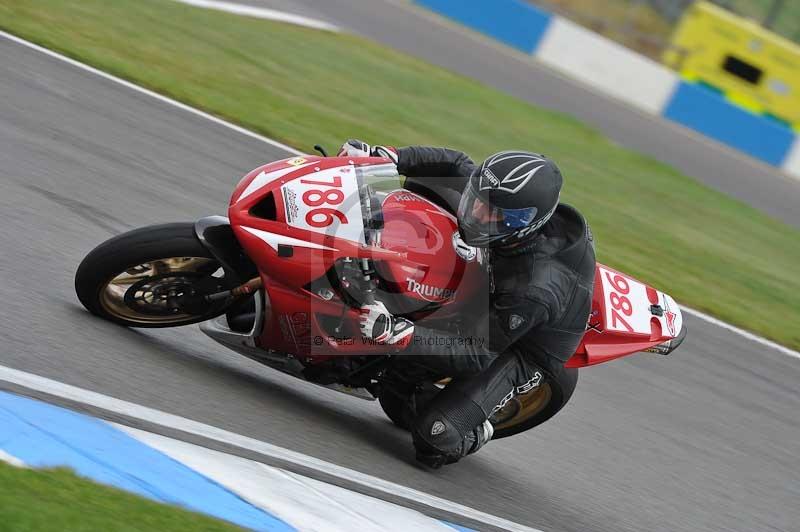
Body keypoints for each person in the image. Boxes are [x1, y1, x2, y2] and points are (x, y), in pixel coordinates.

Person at [338, 140, 596, 468]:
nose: (477, 215)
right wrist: (391, 157)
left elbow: (476, 353)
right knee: (430, 183)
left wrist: (401, 334)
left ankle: (477, 428)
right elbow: (456, 162)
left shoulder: (533, 289)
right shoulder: (500, 197)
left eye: (494, 215)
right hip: (494, 283)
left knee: (434, 438)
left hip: (521, 347)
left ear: (524, 224)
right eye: (478, 202)